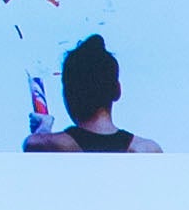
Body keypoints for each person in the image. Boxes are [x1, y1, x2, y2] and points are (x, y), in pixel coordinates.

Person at [23, 31, 162, 152]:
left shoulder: (44, 145)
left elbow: (34, 143)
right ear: (117, 91)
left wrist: (43, 128)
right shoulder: (147, 150)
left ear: (68, 95)